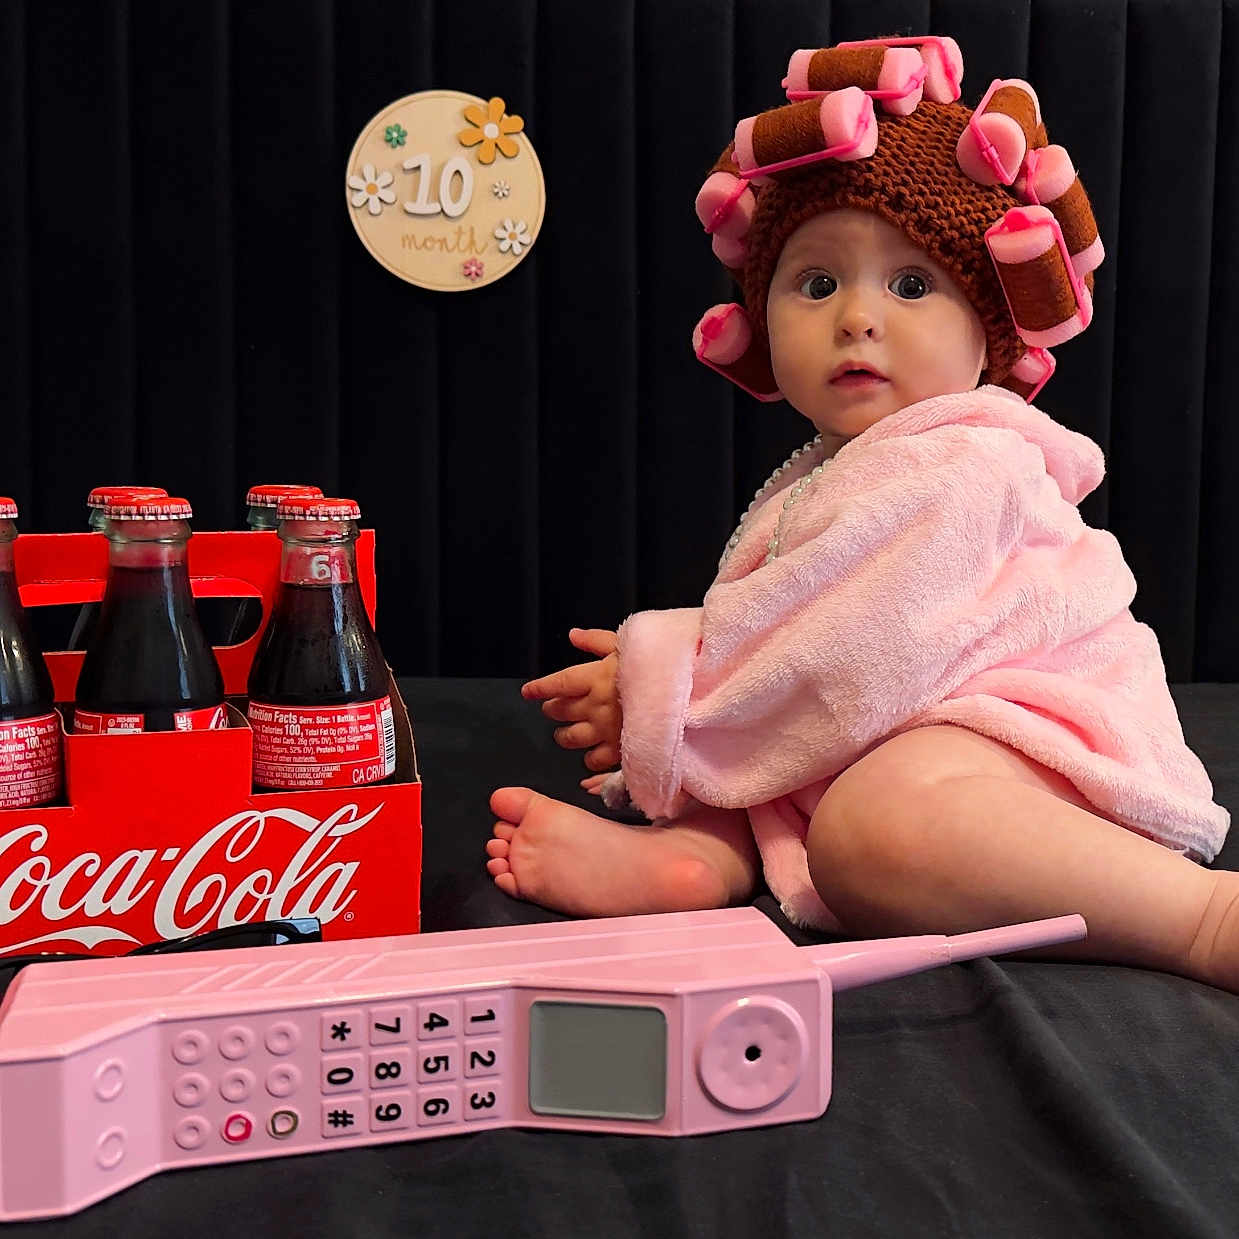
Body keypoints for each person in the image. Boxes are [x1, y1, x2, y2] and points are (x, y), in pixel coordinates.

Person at [485, 37, 1239, 990]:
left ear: (989, 326)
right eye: (815, 283)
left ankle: (1203, 917)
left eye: (912, 285)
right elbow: (813, 659)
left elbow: (856, 645)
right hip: (914, 722)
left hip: (1047, 757)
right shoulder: (834, 469)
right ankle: (703, 860)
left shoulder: (963, 461)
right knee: (808, 756)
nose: (856, 317)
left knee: (874, 824)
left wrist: (670, 682)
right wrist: (706, 685)